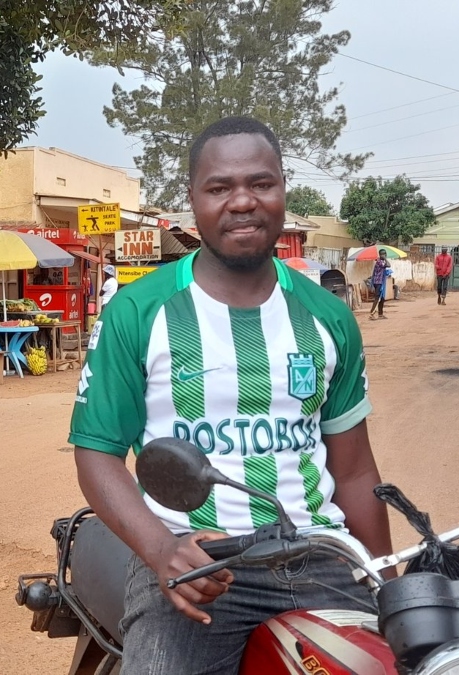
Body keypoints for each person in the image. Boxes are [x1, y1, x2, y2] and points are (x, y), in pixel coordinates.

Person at [69, 116, 393, 675]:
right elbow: (97, 452)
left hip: (320, 557)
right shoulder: (138, 312)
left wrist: (389, 582)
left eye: (260, 184)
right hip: (196, 562)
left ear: (282, 192)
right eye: (220, 188)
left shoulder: (329, 317)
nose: (242, 201)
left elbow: (357, 470)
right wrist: (161, 550)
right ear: (193, 202)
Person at [368, 249, 393, 320]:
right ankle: (371, 314)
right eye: (382, 254)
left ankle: (380, 314)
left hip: (380, 282)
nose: (384, 255)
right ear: (380, 255)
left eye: (384, 254)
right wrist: (385, 258)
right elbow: (389, 265)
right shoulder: (379, 262)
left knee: (382, 298)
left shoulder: (381, 261)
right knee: (377, 298)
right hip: (378, 282)